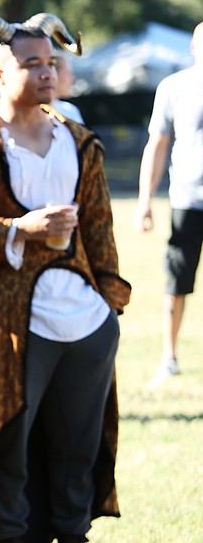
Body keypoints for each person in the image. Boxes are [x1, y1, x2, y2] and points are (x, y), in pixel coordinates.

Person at [0, 13, 131, 543]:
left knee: (78, 451)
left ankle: (73, 533)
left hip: (86, 320)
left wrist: (109, 304)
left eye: (51, 62)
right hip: (15, 322)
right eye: (31, 63)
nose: (47, 72)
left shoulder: (80, 141)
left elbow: (100, 228)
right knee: (7, 449)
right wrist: (21, 228)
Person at [134, 21, 203, 385]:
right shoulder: (174, 87)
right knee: (176, 280)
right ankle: (169, 356)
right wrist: (145, 200)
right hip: (187, 200)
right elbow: (157, 145)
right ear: (193, 47)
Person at [50, 51, 84, 123]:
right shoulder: (33, 113)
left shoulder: (69, 110)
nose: (73, 79)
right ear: (54, 75)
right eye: (68, 73)